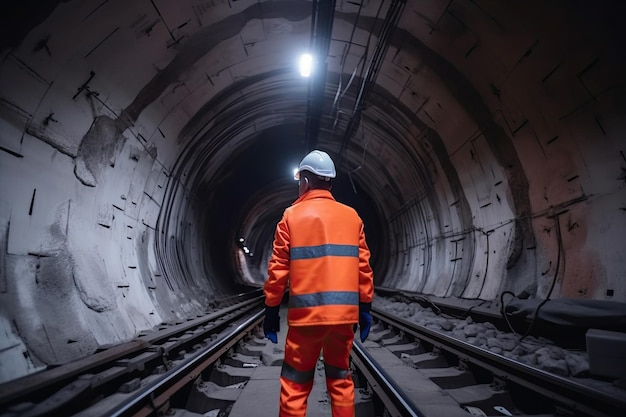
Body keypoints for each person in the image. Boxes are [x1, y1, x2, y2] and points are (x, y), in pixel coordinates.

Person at [263, 149, 374, 417]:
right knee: (340, 380)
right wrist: (365, 306)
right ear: (330, 182)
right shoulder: (352, 217)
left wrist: (271, 309)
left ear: (305, 181)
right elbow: (363, 266)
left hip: (306, 320)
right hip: (343, 319)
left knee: (295, 385)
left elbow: (278, 268)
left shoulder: (290, 216)